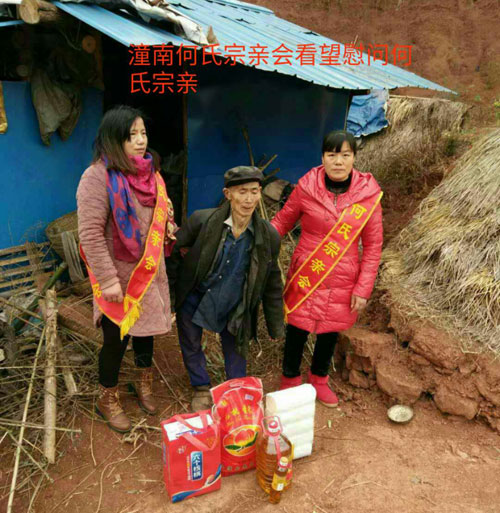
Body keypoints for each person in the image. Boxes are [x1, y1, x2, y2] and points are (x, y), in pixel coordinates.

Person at [77, 105, 177, 433]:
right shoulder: (97, 177)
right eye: (131, 135)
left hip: (150, 272)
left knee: (147, 332)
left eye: (143, 133)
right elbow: (90, 234)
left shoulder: (152, 174)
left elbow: (160, 215)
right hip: (118, 278)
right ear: (113, 138)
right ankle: (107, 397)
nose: (140, 141)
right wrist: (107, 279)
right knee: (115, 339)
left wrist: (169, 226)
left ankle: (142, 383)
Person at [271, 130, 383, 407]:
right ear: (322, 157)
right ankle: (289, 378)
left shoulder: (368, 196)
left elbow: (372, 247)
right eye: (332, 155)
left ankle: (319, 379)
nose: (338, 161)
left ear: (354, 158)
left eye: (345, 155)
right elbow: (282, 222)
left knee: (329, 330)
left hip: (343, 277)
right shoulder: (306, 187)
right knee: (297, 327)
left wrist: (363, 288)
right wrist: (258, 244)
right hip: (307, 270)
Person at [167, 166, 284, 411]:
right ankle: (201, 386)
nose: (249, 199)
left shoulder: (268, 236)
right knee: (190, 340)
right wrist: (173, 295)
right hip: (197, 294)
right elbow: (175, 253)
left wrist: (275, 324)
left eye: (254, 191)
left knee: (236, 345)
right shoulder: (202, 221)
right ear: (228, 194)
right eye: (242, 192)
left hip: (235, 299)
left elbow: (272, 281)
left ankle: (236, 388)